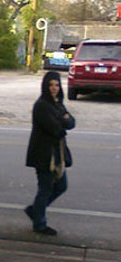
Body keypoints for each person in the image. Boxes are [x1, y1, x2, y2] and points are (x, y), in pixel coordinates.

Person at [25, 70, 75, 235]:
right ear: (45, 86)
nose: (54, 88)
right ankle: (39, 223)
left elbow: (72, 122)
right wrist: (63, 119)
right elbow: (56, 129)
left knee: (61, 186)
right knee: (45, 188)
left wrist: (64, 120)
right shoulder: (41, 105)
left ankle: (35, 210)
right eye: (51, 85)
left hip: (57, 153)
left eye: (56, 85)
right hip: (43, 154)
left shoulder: (58, 103)